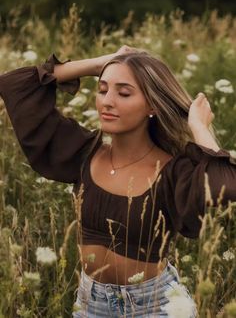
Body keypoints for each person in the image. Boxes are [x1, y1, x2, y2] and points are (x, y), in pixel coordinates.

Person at [0, 45, 235, 318]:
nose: (106, 101)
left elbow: (226, 182)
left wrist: (199, 127)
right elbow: (16, 84)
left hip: (155, 307)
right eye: (102, 89)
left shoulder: (172, 171)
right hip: (90, 305)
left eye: (123, 92)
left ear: (152, 105)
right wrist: (100, 63)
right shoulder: (84, 153)